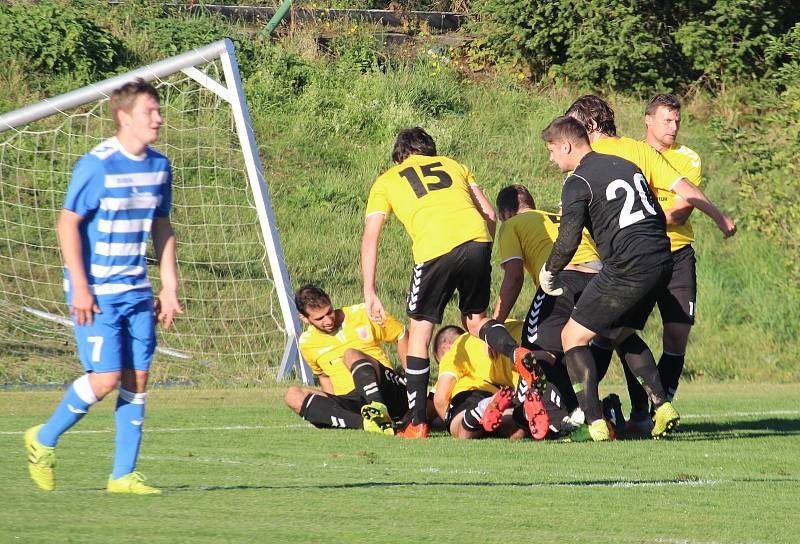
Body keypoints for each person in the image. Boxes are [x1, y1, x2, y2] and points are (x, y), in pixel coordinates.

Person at [24, 79, 182, 495]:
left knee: (138, 377)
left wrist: (169, 286)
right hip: (96, 290)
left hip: (136, 289)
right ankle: (43, 439)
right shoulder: (96, 165)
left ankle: (122, 476)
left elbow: (162, 225)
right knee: (106, 378)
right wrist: (80, 285)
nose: (158, 118)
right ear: (123, 116)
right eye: (149, 112)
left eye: (159, 110)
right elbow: (67, 223)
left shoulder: (159, 166)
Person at [564, 94, 736, 430]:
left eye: (676, 120)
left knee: (607, 334)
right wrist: (719, 216)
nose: (673, 126)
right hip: (646, 257)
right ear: (648, 120)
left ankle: (596, 414)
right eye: (666, 119)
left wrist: (565, 262)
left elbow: (582, 218)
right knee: (618, 333)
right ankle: (647, 409)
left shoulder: (594, 159)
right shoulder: (635, 151)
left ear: (591, 125)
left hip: (649, 257)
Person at [361, 127, 545, 438]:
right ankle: (515, 354)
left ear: (399, 157)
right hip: (477, 239)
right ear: (430, 152)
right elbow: (488, 212)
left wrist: (370, 291)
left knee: (420, 331)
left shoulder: (388, 179)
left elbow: (371, 237)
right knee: (475, 320)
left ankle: (417, 422)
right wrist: (480, 250)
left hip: (434, 249)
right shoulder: (454, 165)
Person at [539, 116, 679, 441]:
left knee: (571, 337)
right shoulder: (625, 164)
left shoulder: (577, 181)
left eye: (551, 150)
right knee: (620, 334)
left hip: (627, 265)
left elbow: (568, 240)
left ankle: (594, 422)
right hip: (661, 258)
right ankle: (662, 405)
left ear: (566, 145)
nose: (551, 158)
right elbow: (656, 213)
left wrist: (550, 270)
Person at [493, 184, 604, 425]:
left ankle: (559, 416)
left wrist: (496, 324)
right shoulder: (556, 217)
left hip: (561, 278)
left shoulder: (512, 225)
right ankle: (592, 414)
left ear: (505, 214)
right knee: (572, 347)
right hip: (599, 280)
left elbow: (513, 277)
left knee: (533, 348)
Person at [285, 284, 409, 435]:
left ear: (330, 301)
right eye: (320, 318)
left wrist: (411, 379)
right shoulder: (307, 343)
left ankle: (379, 408)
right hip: (353, 400)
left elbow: (401, 334)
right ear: (304, 318)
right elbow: (324, 376)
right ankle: (368, 424)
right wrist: (331, 406)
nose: (328, 320)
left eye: (329, 312)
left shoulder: (363, 313)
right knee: (292, 395)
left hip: (386, 388)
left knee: (350, 354)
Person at [432, 322, 561, 440]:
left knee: (462, 432)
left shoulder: (456, 350)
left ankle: (483, 408)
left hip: (476, 394)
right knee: (513, 429)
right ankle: (524, 413)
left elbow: (439, 400)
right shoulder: (490, 327)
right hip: (534, 340)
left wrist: (449, 424)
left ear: (446, 347)